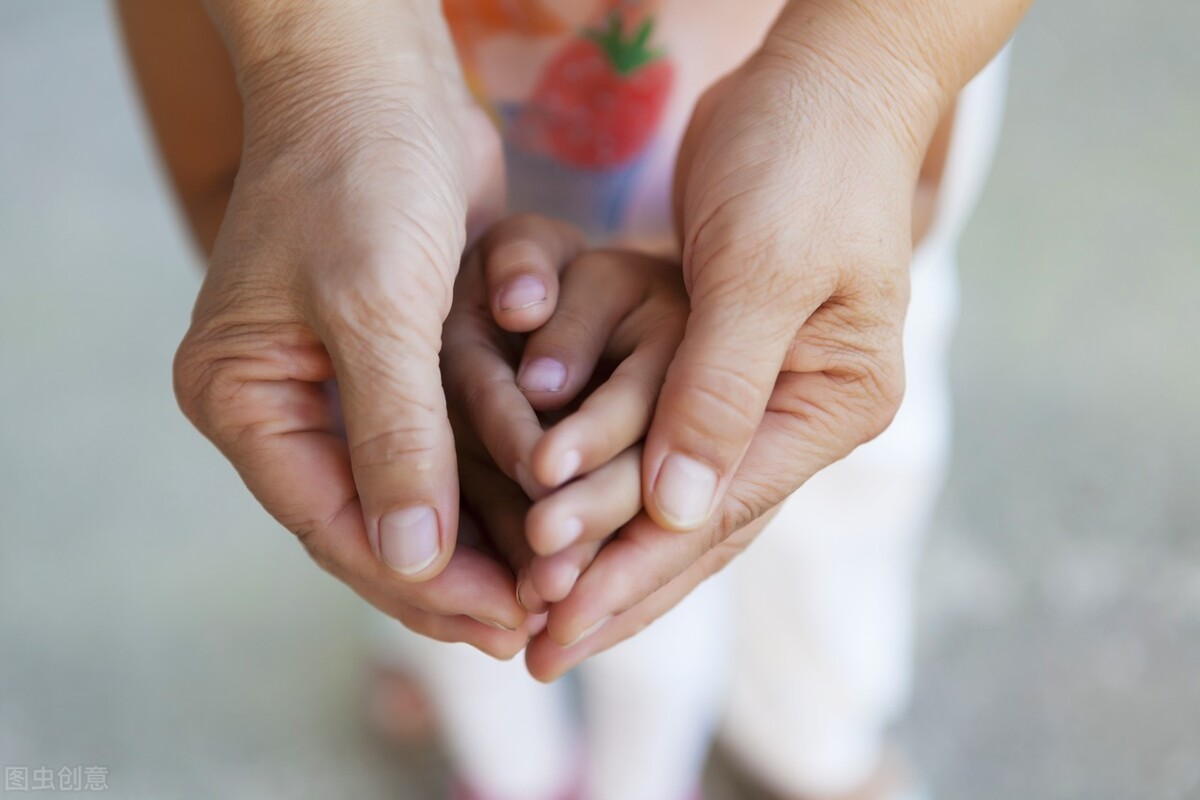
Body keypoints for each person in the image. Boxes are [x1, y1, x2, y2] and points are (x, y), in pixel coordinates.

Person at [116, 0, 1026, 797]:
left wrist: (866, 85)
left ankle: (811, 734)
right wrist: (316, 88)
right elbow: (237, 192)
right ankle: (500, 757)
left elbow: (907, 184)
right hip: (408, 299)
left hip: (811, 219)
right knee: (423, 520)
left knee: (832, 509)